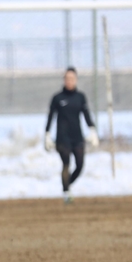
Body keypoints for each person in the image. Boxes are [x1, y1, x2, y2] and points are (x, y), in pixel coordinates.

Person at [45, 67, 97, 204]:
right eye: (67, 78)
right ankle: (67, 193)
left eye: (72, 78)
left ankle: (66, 185)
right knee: (66, 164)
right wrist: (47, 134)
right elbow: (50, 117)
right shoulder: (57, 98)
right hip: (62, 138)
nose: (69, 81)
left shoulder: (80, 97)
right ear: (64, 80)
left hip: (77, 137)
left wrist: (92, 129)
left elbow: (86, 114)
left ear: (76, 80)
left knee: (80, 165)